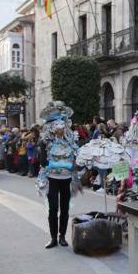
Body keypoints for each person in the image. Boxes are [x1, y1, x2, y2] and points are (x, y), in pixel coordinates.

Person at [36, 102, 81, 249]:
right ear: (52, 127)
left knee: (65, 209)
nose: (60, 129)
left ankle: (62, 236)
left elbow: (76, 160)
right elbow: (43, 163)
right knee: (53, 208)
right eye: (57, 126)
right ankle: (53, 238)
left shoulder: (71, 141)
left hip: (66, 179)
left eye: (62, 126)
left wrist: (70, 165)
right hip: (52, 179)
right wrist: (64, 164)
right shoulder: (45, 142)